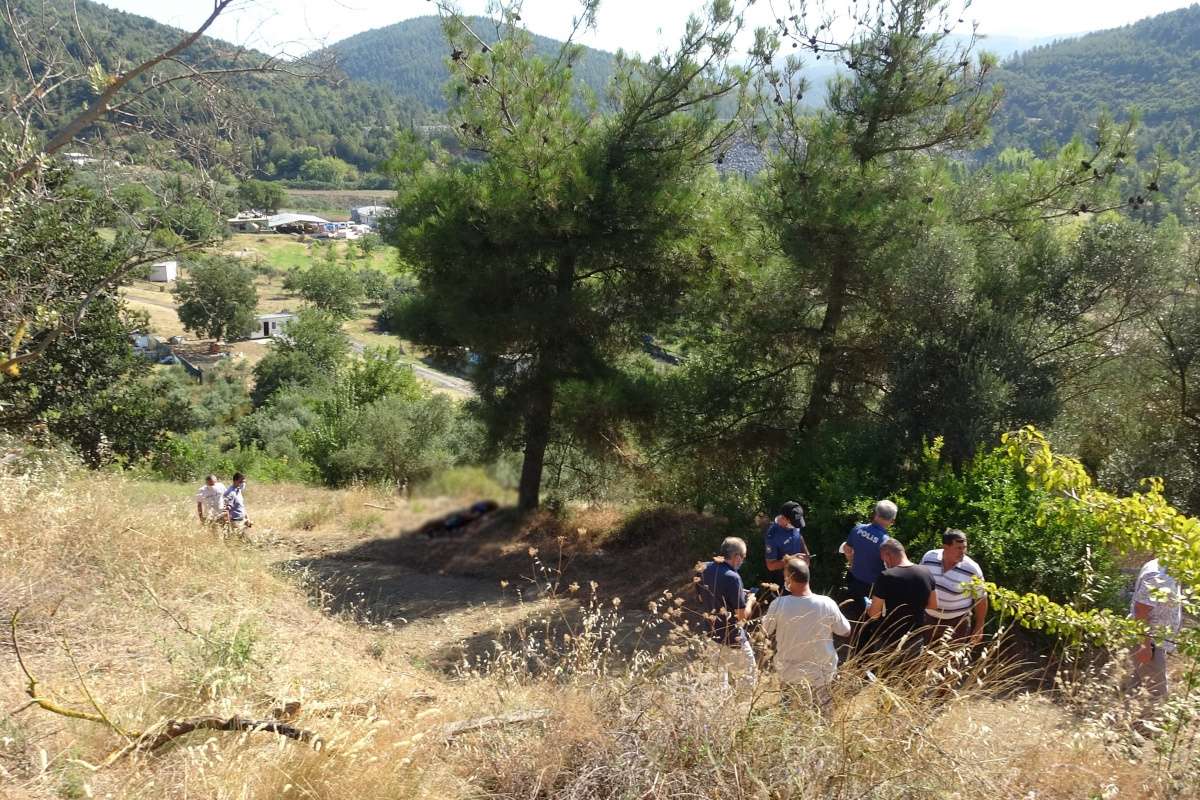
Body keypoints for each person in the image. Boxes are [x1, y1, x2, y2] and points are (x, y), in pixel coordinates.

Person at [761, 556, 851, 713]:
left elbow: (765, 631)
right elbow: (845, 630)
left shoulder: (778, 604)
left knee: (788, 717)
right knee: (823, 717)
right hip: (821, 674)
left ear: (789, 579)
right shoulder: (827, 603)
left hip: (790, 673)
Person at [698, 537, 757, 689]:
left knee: (718, 684)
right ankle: (743, 711)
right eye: (743, 557)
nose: (742, 561)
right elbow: (742, 616)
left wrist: (737, 593)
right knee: (749, 677)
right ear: (737, 556)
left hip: (711, 632)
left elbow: (701, 597)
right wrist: (750, 600)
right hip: (732, 637)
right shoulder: (733, 577)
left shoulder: (703, 568)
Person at [1126, 557, 1183, 703]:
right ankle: (1141, 723)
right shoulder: (1158, 574)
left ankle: (1124, 722)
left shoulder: (1170, 568)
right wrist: (1144, 646)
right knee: (1157, 698)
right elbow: (1141, 611)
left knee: (1136, 692)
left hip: (1155, 642)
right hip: (1149, 642)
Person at [865, 539, 936, 653]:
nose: (885, 563)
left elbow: (874, 614)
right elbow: (933, 605)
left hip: (889, 639)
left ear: (888, 554)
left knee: (885, 671)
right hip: (916, 638)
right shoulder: (926, 572)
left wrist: (869, 607)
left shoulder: (886, 576)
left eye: (884, 559)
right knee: (911, 671)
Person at [920, 529, 987, 646]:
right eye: (958, 548)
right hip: (927, 620)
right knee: (921, 659)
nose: (963, 552)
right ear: (945, 547)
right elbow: (919, 583)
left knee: (949, 662)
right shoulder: (929, 558)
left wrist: (979, 625)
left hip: (956, 624)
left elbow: (981, 598)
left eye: (964, 548)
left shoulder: (972, 569)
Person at [842, 500, 897, 622]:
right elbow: (891, 569)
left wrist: (852, 564)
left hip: (855, 579)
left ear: (875, 514)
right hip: (873, 588)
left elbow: (847, 549)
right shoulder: (886, 543)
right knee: (869, 619)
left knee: (855, 613)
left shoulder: (857, 529)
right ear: (892, 521)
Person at [764, 501, 811, 592]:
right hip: (784, 580)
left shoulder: (794, 522)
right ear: (784, 518)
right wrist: (792, 559)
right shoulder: (772, 534)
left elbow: (799, 537)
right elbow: (770, 565)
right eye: (794, 524)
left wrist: (806, 554)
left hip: (801, 574)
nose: (796, 526)